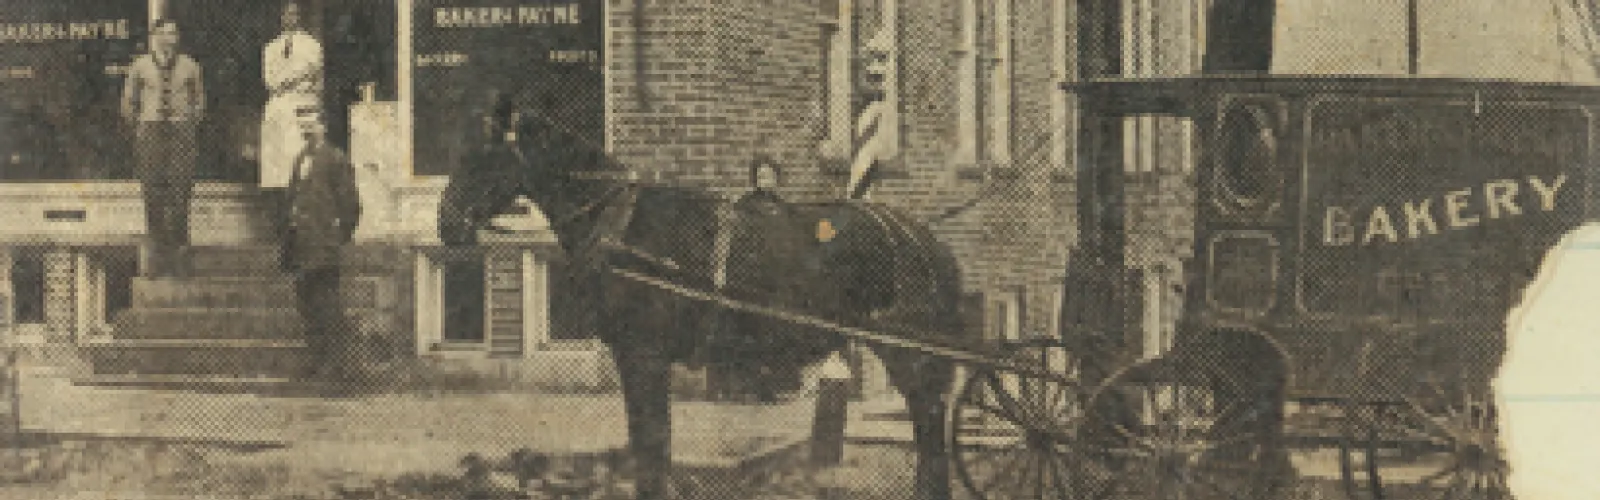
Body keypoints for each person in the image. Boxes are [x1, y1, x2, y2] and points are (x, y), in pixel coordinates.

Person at [278, 102, 361, 381]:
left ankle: (334, 364)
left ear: (323, 125)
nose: (306, 129)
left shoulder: (336, 158)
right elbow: (292, 198)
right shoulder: (300, 158)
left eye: (310, 123)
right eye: (301, 124)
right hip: (301, 243)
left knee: (327, 304)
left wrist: (338, 237)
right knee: (306, 304)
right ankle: (315, 359)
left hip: (324, 245)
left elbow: (351, 204)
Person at [121, 18, 205, 277]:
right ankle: (157, 259)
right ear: (154, 36)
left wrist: (188, 126)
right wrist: (140, 128)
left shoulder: (190, 66)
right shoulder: (140, 66)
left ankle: (180, 258)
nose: (170, 37)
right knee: (153, 195)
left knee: (180, 195)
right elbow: (127, 101)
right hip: (151, 131)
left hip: (180, 133)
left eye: (174, 32)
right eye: (165, 32)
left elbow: (200, 101)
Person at [261, 0, 324, 191]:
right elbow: (270, 80)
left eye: (294, 14)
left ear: (300, 17)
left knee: (299, 162)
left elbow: (313, 73)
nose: (290, 18)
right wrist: (297, 75)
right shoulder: (271, 48)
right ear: (281, 18)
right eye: (286, 14)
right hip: (278, 107)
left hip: (301, 105)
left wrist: (289, 79)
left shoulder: (312, 45)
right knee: (277, 168)